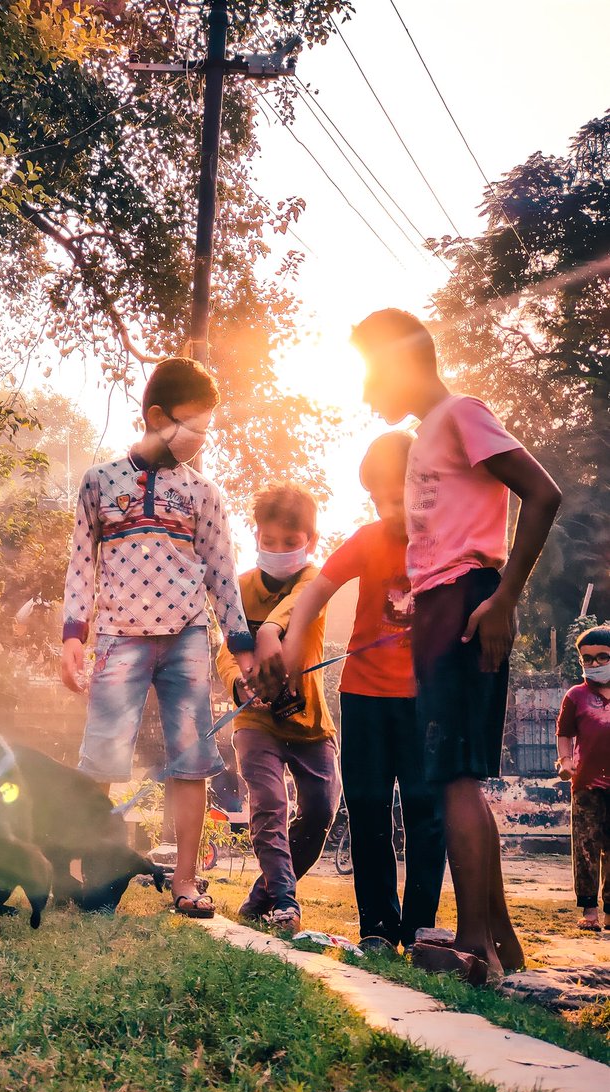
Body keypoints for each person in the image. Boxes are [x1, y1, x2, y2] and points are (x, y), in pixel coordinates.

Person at [349, 309, 561, 979]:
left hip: (470, 603)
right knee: (456, 777)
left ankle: (473, 947)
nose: (364, 394)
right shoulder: (427, 436)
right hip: (441, 607)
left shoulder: (462, 413)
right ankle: (499, 943)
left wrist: (503, 598)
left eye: (368, 373)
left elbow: (542, 492)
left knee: (453, 780)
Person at [60, 357, 253, 918]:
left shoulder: (203, 495)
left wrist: (239, 651)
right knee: (100, 760)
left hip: (188, 640)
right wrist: (74, 635)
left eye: (206, 430)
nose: (199, 438)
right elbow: (80, 564)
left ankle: (186, 883)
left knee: (192, 760)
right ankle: (95, 874)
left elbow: (221, 573)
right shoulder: (100, 481)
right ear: (155, 417)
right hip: (119, 636)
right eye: (191, 426)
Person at [252, 432, 445, 952]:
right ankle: (379, 927)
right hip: (364, 697)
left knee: (427, 809)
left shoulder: (447, 540)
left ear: (426, 486)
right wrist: (281, 646)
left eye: (397, 497)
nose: (390, 510)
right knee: (366, 806)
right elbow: (314, 591)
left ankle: (421, 924)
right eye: (378, 500)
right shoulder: (368, 538)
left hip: (426, 700)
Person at [216, 483, 339, 933]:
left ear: (311, 540)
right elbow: (226, 648)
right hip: (254, 720)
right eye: (269, 541)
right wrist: (238, 681)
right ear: (256, 535)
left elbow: (292, 610)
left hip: (311, 722)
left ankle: (260, 899)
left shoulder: (315, 581)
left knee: (322, 810)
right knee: (269, 802)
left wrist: (267, 629)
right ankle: (285, 900)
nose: (279, 549)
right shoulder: (238, 587)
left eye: (291, 542)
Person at [556, 626, 610, 932]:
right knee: (586, 848)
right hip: (586, 785)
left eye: (602, 657)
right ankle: (590, 912)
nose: (594, 664)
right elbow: (564, 734)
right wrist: (565, 762)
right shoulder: (575, 696)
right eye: (587, 659)